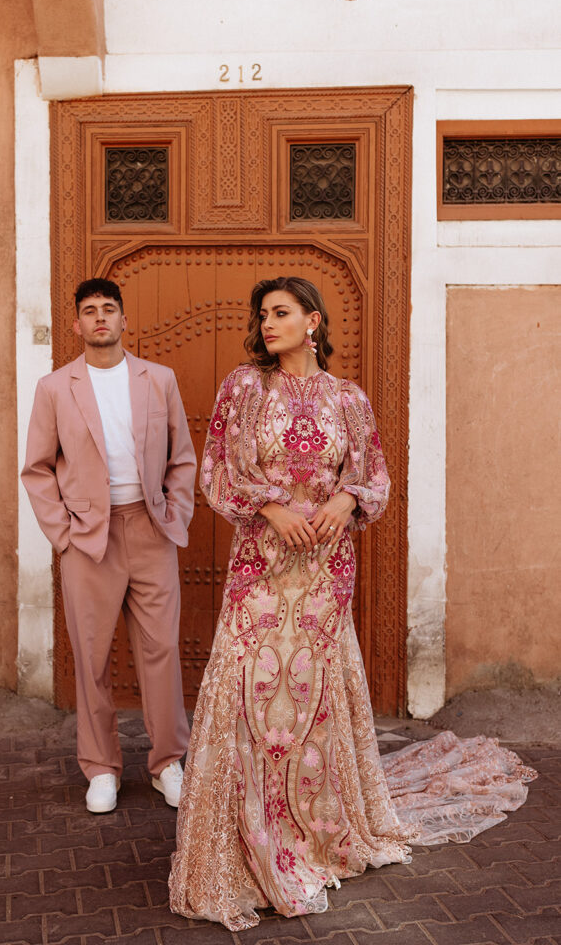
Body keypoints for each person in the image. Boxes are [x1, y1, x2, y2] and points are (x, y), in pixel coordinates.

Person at [169, 276, 535, 931]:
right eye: (262, 315)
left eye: (280, 313)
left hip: (324, 571)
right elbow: (219, 467)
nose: (266, 323)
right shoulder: (244, 387)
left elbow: (372, 473)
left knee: (311, 703)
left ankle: (314, 832)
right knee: (255, 697)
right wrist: (273, 510)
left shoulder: (348, 398)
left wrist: (344, 500)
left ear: (313, 321)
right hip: (264, 566)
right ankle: (249, 840)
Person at [22, 278, 196, 813]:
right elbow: (37, 469)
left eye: (109, 309)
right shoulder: (56, 388)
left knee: (161, 651)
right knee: (92, 656)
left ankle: (168, 762)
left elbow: (182, 457)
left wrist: (175, 515)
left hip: (149, 530)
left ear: (124, 320)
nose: (100, 318)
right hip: (87, 540)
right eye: (90, 311)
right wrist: (64, 536)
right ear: (76, 324)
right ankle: (100, 768)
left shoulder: (158, 379)